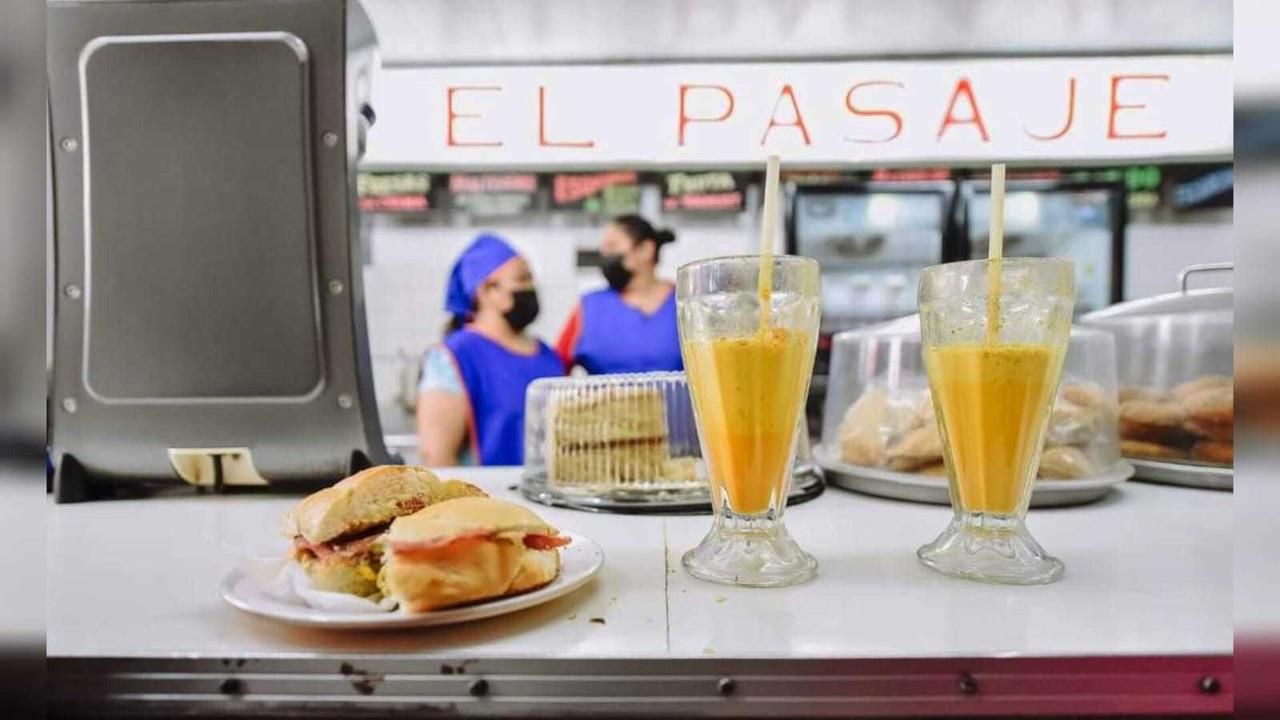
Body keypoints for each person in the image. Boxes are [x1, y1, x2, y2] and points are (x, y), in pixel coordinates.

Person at [416, 234, 562, 466]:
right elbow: (437, 456)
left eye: (531, 279)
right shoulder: (454, 357)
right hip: (487, 498)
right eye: (522, 279)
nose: (531, 288)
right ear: (487, 291)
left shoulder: (547, 357)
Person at [556, 214, 683, 374]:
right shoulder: (588, 308)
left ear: (645, 250)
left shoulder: (687, 303)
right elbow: (554, 369)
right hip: (605, 400)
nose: (604, 255)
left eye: (612, 247)